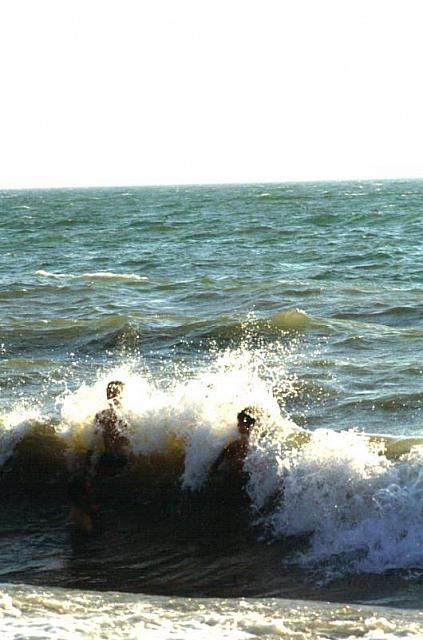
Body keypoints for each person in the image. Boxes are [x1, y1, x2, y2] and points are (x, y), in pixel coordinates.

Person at [94, 380, 132, 474]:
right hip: (109, 456)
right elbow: (94, 441)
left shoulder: (128, 415)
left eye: (114, 394)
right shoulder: (101, 415)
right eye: (109, 394)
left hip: (120, 456)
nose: (111, 397)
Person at [210, 408, 256, 477]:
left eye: (240, 423)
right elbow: (215, 465)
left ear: (247, 425)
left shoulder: (235, 445)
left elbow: (215, 466)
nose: (238, 426)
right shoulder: (235, 445)